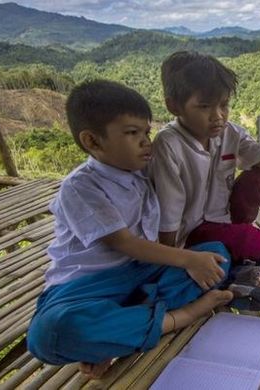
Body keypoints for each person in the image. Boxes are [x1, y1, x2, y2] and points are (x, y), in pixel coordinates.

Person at [27, 80, 234, 379]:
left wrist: (196, 258)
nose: (145, 142)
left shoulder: (139, 173)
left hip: (141, 276)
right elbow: (123, 243)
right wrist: (188, 259)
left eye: (146, 132)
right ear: (93, 141)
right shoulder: (81, 186)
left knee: (217, 256)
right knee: (50, 333)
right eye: (132, 133)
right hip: (87, 288)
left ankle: (121, 334)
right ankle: (180, 316)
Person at [149, 51, 260, 262]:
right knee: (245, 241)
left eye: (223, 105)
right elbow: (169, 212)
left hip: (226, 215)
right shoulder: (168, 144)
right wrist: (171, 257)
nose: (218, 116)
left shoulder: (230, 132)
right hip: (193, 233)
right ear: (174, 106)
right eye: (205, 106)